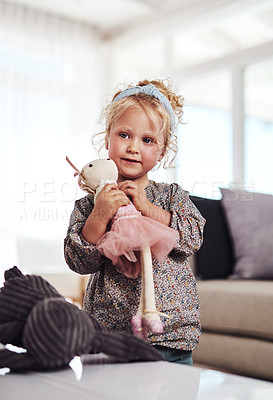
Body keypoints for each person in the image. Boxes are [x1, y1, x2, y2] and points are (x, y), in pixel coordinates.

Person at [64, 78, 205, 366]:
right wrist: (101, 214)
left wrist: (148, 208)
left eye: (148, 140)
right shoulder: (90, 203)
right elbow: (78, 261)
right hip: (109, 334)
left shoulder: (170, 195)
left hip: (169, 335)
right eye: (124, 135)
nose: (133, 148)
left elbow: (193, 238)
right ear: (107, 140)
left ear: (161, 152)